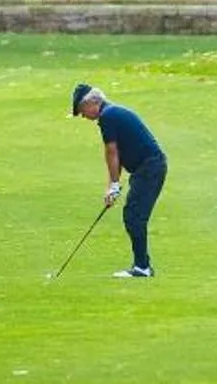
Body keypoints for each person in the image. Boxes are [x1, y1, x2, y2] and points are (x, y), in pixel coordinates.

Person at [71, 82, 166, 279]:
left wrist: (114, 185)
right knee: (133, 214)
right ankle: (142, 266)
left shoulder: (108, 117)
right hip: (147, 168)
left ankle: (142, 268)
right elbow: (119, 155)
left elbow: (112, 151)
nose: (83, 115)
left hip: (149, 168)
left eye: (82, 110)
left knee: (134, 215)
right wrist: (113, 186)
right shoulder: (113, 114)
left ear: (92, 103)